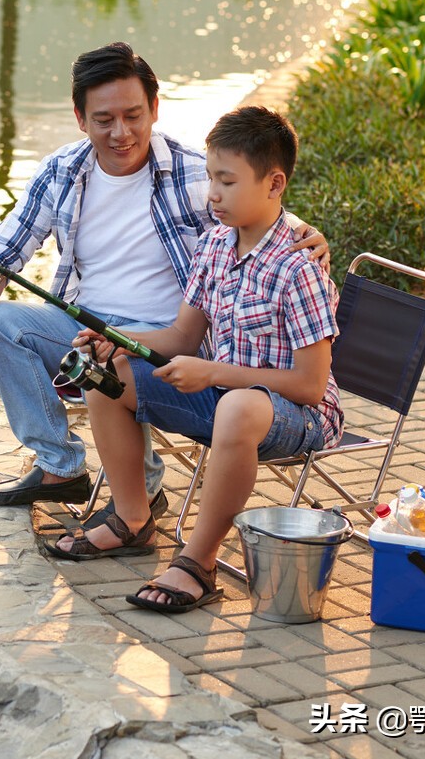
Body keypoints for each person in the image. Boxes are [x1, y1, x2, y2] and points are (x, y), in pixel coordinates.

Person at [0, 42, 327, 528]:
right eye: (104, 119)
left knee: (116, 361)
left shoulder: (193, 173)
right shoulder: (62, 171)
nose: (121, 132)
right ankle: (60, 467)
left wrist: (309, 235)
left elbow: (260, 208)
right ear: (80, 118)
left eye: (133, 115)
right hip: (87, 326)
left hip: (167, 338)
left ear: (155, 109)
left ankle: (141, 488)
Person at [47, 105, 343, 615]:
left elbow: (311, 386)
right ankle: (133, 520)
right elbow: (184, 334)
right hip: (226, 399)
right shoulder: (213, 245)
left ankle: (197, 563)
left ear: (274, 184)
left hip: (298, 416)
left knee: (237, 407)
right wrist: (116, 339)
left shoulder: (299, 268)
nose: (212, 194)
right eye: (210, 178)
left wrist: (215, 373)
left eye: (227, 181)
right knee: (107, 377)